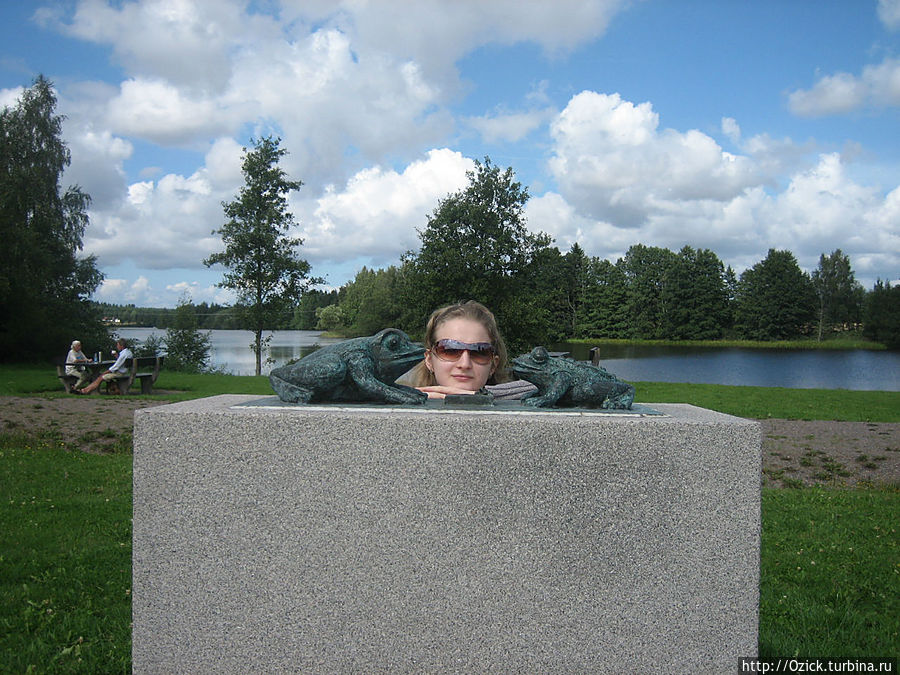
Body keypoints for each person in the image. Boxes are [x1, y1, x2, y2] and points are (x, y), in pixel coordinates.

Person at [409, 300, 536, 400]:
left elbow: (546, 384)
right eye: (450, 350)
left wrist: (482, 396)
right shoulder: (402, 400)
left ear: (493, 365)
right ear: (429, 360)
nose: (464, 364)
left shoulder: (524, 405)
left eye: (479, 352)